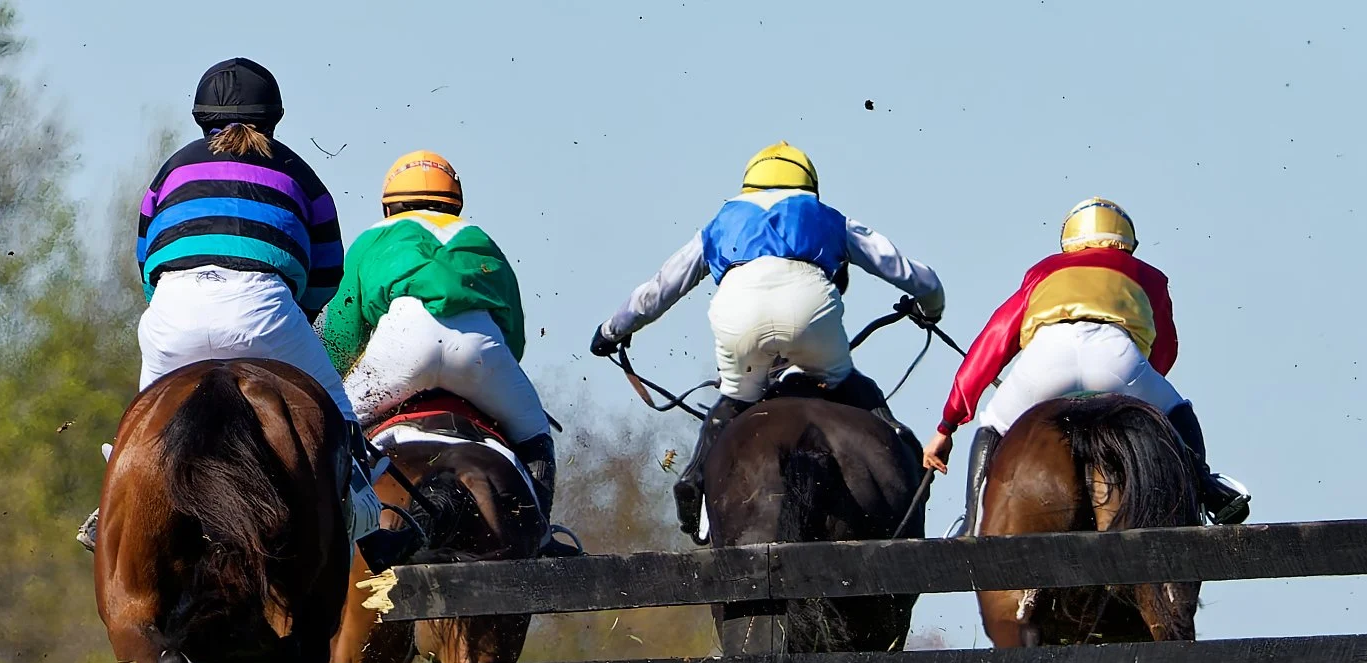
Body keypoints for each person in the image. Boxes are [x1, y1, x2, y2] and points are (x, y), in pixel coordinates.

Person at [76, 57, 419, 572]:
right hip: (265, 312)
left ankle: (113, 505)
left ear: (200, 117)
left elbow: (146, 258)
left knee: (141, 424)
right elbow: (328, 271)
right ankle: (371, 529)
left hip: (174, 310)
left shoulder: (171, 168)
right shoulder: (299, 171)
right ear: (274, 118)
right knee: (340, 416)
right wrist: (294, 318)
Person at [589, 142, 945, 541]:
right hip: (810, 314)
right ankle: (903, 447)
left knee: (734, 399)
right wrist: (931, 308)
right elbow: (913, 275)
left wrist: (611, 332)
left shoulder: (720, 223)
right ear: (808, 185)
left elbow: (658, 291)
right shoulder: (827, 217)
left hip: (739, 318)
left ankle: (693, 476)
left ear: (749, 187)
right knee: (852, 385)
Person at [922, 196, 1250, 534]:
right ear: (1127, 242)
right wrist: (1136, 398)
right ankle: (1209, 491)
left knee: (992, 423)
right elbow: (1164, 350)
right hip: (1116, 361)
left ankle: (971, 524)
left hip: (1044, 363)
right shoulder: (1148, 275)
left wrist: (947, 425)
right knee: (1179, 408)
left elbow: (993, 342)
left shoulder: (1042, 271)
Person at [318, 150, 570, 554]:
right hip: (478, 354)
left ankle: (317, 539)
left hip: (400, 348)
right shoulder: (480, 239)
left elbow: (343, 332)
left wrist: (338, 379)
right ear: (456, 203)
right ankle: (542, 535)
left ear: (389, 205)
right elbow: (514, 336)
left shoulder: (372, 238)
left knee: (331, 427)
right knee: (535, 433)